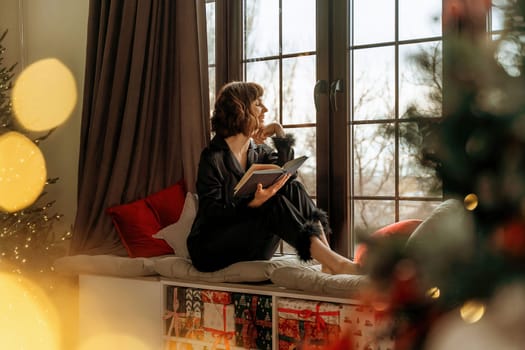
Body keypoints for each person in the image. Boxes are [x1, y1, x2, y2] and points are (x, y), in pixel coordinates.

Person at [186, 81, 361, 275]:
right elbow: (212, 212)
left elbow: (286, 174)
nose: (265, 109)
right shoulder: (213, 157)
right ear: (240, 110)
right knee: (270, 203)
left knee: (292, 186)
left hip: (251, 243)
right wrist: (252, 203)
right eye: (258, 104)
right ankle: (336, 263)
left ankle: (328, 260)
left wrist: (279, 131)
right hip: (211, 249)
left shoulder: (258, 151)